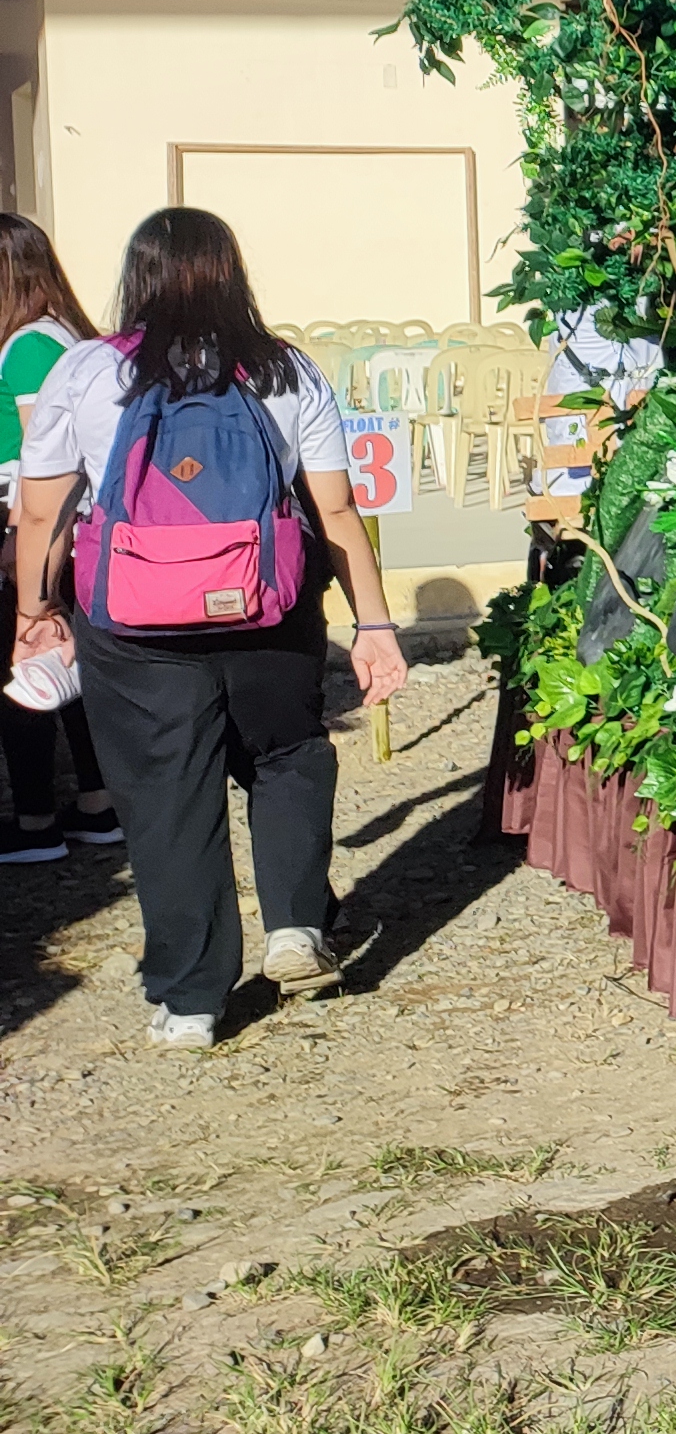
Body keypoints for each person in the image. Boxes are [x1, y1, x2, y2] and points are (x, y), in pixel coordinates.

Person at [7, 210, 407, 1049]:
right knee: (287, 753)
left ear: (137, 275)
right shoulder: (287, 369)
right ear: (233, 272)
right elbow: (335, 506)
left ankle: (192, 998)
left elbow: (41, 509)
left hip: (134, 620)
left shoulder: (87, 371)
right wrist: (374, 624)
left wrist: (33, 616)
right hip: (269, 603)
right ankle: (296, 926)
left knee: (165, 790)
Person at [0, 216, 117, 862]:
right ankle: (93, 808)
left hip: (38, 530)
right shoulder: (50, 338)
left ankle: (39, 818)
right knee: (64, 670)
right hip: (51, 530)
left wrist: (22, 543)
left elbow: (44, 458)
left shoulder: (31, 346)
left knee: (25, 668)